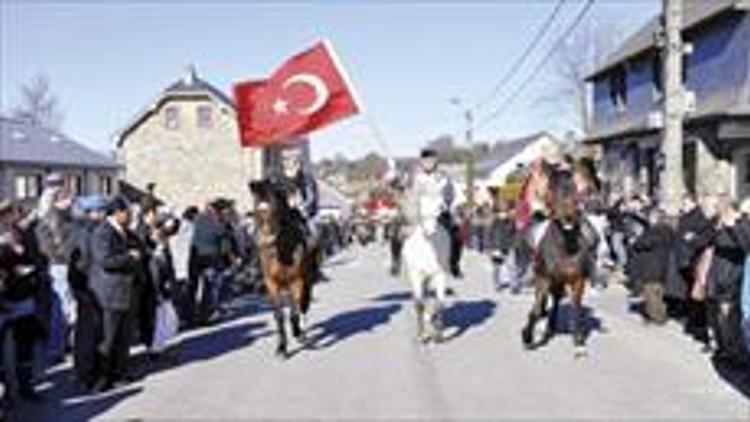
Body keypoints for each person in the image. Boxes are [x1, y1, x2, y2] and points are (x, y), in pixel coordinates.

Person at [90, 196, 141, 392]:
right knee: (108, 339)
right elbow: (105, 260)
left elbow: (141, 248)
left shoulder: (127, 231)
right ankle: (102, 378)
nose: (130, 216)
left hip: (128, 291)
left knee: (124, 337)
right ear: (117, 212)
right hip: (110, 293)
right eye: (127, 212)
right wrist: (129, 257)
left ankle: (120, 373)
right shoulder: (102, 232)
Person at [34, 173, 78, 364]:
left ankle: (62, 347)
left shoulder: (59, 212)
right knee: (63, 310)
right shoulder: (48, 213)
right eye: (59, 186)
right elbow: (48, 246)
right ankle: (58, 349)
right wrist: (65, 257)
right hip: (59, 266)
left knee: (65, 309)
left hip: (62, 265)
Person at [68, 196, 108, 390]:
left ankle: (91, 373)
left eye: (103, 211)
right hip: (88, 290)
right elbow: (78, 265)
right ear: (89, 212)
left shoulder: (93, 230)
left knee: (96, 334)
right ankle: (85, 376)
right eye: (98, 211)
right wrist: (80, 290)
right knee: (87, 336)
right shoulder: (83, 232)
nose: (102, 214)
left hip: (95, 289)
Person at [706, 199, 750, 367]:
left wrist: (732, 227)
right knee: (722, 318)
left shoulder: (742, 225)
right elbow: (707, 242)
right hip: (721, 276)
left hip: (734, 278)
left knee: (731, 319)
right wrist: (717, 227)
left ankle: (738, 355)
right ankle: (728, 351)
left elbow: (746, 245)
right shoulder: (723, 225)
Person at [630, 209, 675, 324]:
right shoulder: (668, 230)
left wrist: (636, 240)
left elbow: (642, 243)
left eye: (651, 217)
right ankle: (657, 314)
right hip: (663, 265)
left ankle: (658, 316)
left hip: (653, 266)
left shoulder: (656, 231)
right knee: (658, 291)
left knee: (651, 292)